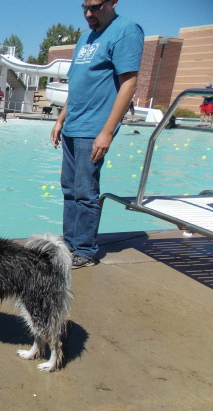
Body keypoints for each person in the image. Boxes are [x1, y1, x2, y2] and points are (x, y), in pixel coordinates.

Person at [50, 0, 143, 268]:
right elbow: (78, 84)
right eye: (84, 7)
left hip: (94, 128)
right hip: (72, 125)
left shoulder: (125, 30)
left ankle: (85, 250)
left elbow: (129, 82)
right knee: (69, 189)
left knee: (84, 192)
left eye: (95, 7)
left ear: (113, 2)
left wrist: (107, 131)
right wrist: (60, 119)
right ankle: (69, 244)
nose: (88, 13)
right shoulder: (85, 38)